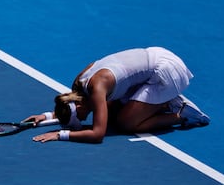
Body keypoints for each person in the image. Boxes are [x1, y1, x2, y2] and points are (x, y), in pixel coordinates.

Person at [23, 47, 210, 143]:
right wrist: (47, 116)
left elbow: (97, 135)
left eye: (79, 118)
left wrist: (61, 135)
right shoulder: (78, 85)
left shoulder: (97, 89)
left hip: (168, 72)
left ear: (79, 106)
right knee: (110, 115)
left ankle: (181, 114)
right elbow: (70, 108)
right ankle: (161, 101)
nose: (81, 120)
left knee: (124, 124)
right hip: (156, 57)